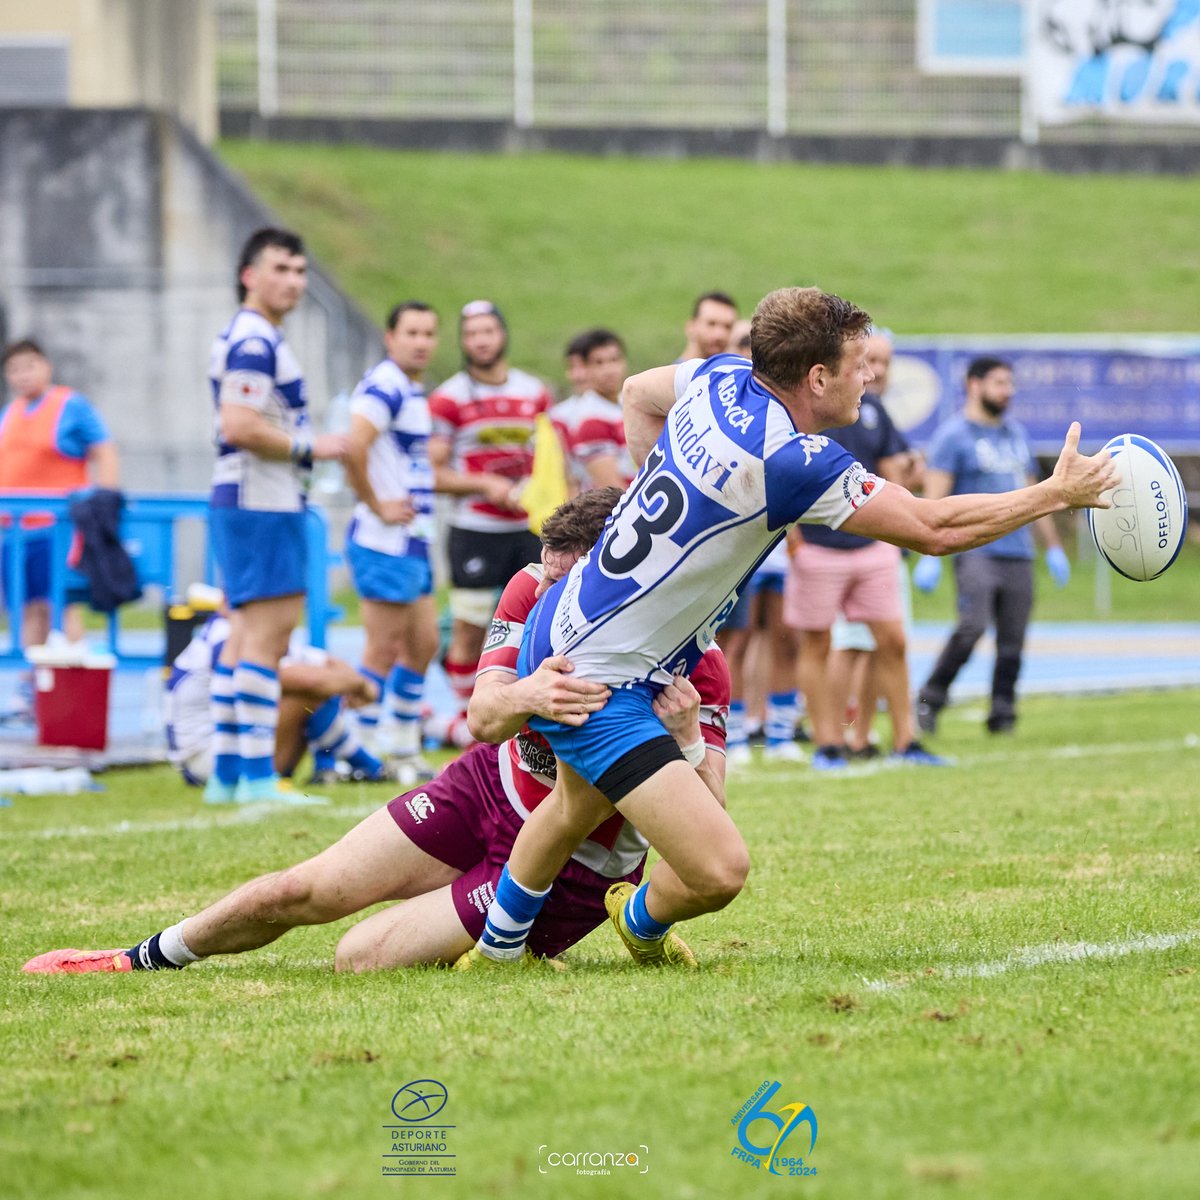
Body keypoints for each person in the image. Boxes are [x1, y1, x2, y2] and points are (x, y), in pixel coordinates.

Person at [461, 286, 1117, 969]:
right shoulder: (789, 462)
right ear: (818, 377)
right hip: (600, 678)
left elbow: (636, 392)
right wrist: (1053, 495)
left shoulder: (721, 376)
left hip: (564, 620)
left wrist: (652, 490)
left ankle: (497, 954)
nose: (870, 375)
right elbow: (932, 527)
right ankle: (636, 917)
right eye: (859, 362)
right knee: (719, 871)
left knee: (572, 805)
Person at [21, 489, 730, 976]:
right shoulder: (532, 588)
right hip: (486, 788)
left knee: (357, 957)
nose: (548, 599)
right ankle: (140, 957)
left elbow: (708, 829)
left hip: (573, 870)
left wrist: (688, 738)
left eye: (564, 587)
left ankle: (533, 943)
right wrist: (529, 691)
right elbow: (483, 721)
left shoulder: (696, 667)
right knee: (300, 891)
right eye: (545, 580)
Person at [205, 226, 347, 805]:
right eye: (280, 269)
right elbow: (238, 425)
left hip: (249, 499)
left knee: (244, 636)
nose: (293, 281)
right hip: (260, 500)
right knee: (269, 637)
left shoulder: (248, 336)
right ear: (249, 274)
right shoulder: (254, 340)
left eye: (299, 270)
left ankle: (226, 775)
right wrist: (311, 446)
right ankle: (260, 780)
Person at [783, 326, 941, 769]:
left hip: (873, 547)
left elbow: (893, 480)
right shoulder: (801, 414)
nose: (874, 373)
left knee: (891, 641)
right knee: (818, 645)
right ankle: (828, 744)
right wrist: (794, 543)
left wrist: (913, 474)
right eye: (866, 363)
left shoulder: (874, 412)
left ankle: (905, 741)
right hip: (817, 546)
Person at [914, 356, 1072, 736]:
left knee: (1013, 641)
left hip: (1019, 551)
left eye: (1010, 384)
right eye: (1000, 383)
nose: (1008, 391)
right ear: (974, 385)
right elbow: (933, 500)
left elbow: (1039, 496)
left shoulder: (1016, 435)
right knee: (973, 626)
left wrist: (1052, 547)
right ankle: (930, 699)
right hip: (974, 547)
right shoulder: (953, 436)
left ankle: (1003, 713)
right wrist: (927, 558)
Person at [428, 300, 555, 745]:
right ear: (463, 342)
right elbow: (434, 473)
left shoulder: (534, 392)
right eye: (471, 333)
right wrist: (483, 484)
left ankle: (521, 722)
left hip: (529, 531)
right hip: (474, 531)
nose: (480, 340)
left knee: (535, 624)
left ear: (502, 334)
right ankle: (471, 725)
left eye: (488, 331)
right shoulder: (448, 398)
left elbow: (551, 460)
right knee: (469, 628)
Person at [342, 301, 441, 779]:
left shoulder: (411, 389)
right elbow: (352, 446)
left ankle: (400, 743)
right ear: (391, 337)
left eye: (428, 333)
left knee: (422, 644)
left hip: (413, 541)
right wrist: (376, 503)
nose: (421, 342)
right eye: (412, 333)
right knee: (381, 648)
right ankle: (353, 748)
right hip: (384, 540)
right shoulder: (384, 385)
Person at [0, 339, 120, 718]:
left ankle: (75, 690)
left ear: (46, 367)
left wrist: (106, 498)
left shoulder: (70, 406)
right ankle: (33, 687)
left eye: (30, 366)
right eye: (15, 369)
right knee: (27, 608)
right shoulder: (10, 413)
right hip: (16, 531)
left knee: (61, 605)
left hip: (58, 529)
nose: (23, 376)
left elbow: (104, 448)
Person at [165, 612, 388, 790]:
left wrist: (350, 682)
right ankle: (366, 765)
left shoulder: (253, 629)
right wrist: (361, 686)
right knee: (308, 691)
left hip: (221, 751)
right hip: (207, 761)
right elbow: (311, 683)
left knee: (322, 682)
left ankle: (330, 767)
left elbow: (328, 664)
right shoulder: (226, 634)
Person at [551, 329, 637, 492]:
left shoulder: (627, 403)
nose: (609, 369)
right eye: (599, 363)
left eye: (614, 360)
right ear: (585, 369)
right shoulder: (589, 420)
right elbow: (613, 488)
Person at [678, 291, 739, 362]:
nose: (720, 334)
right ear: (691, 327)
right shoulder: (669, 372)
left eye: (728, 327)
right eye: (711, 324)